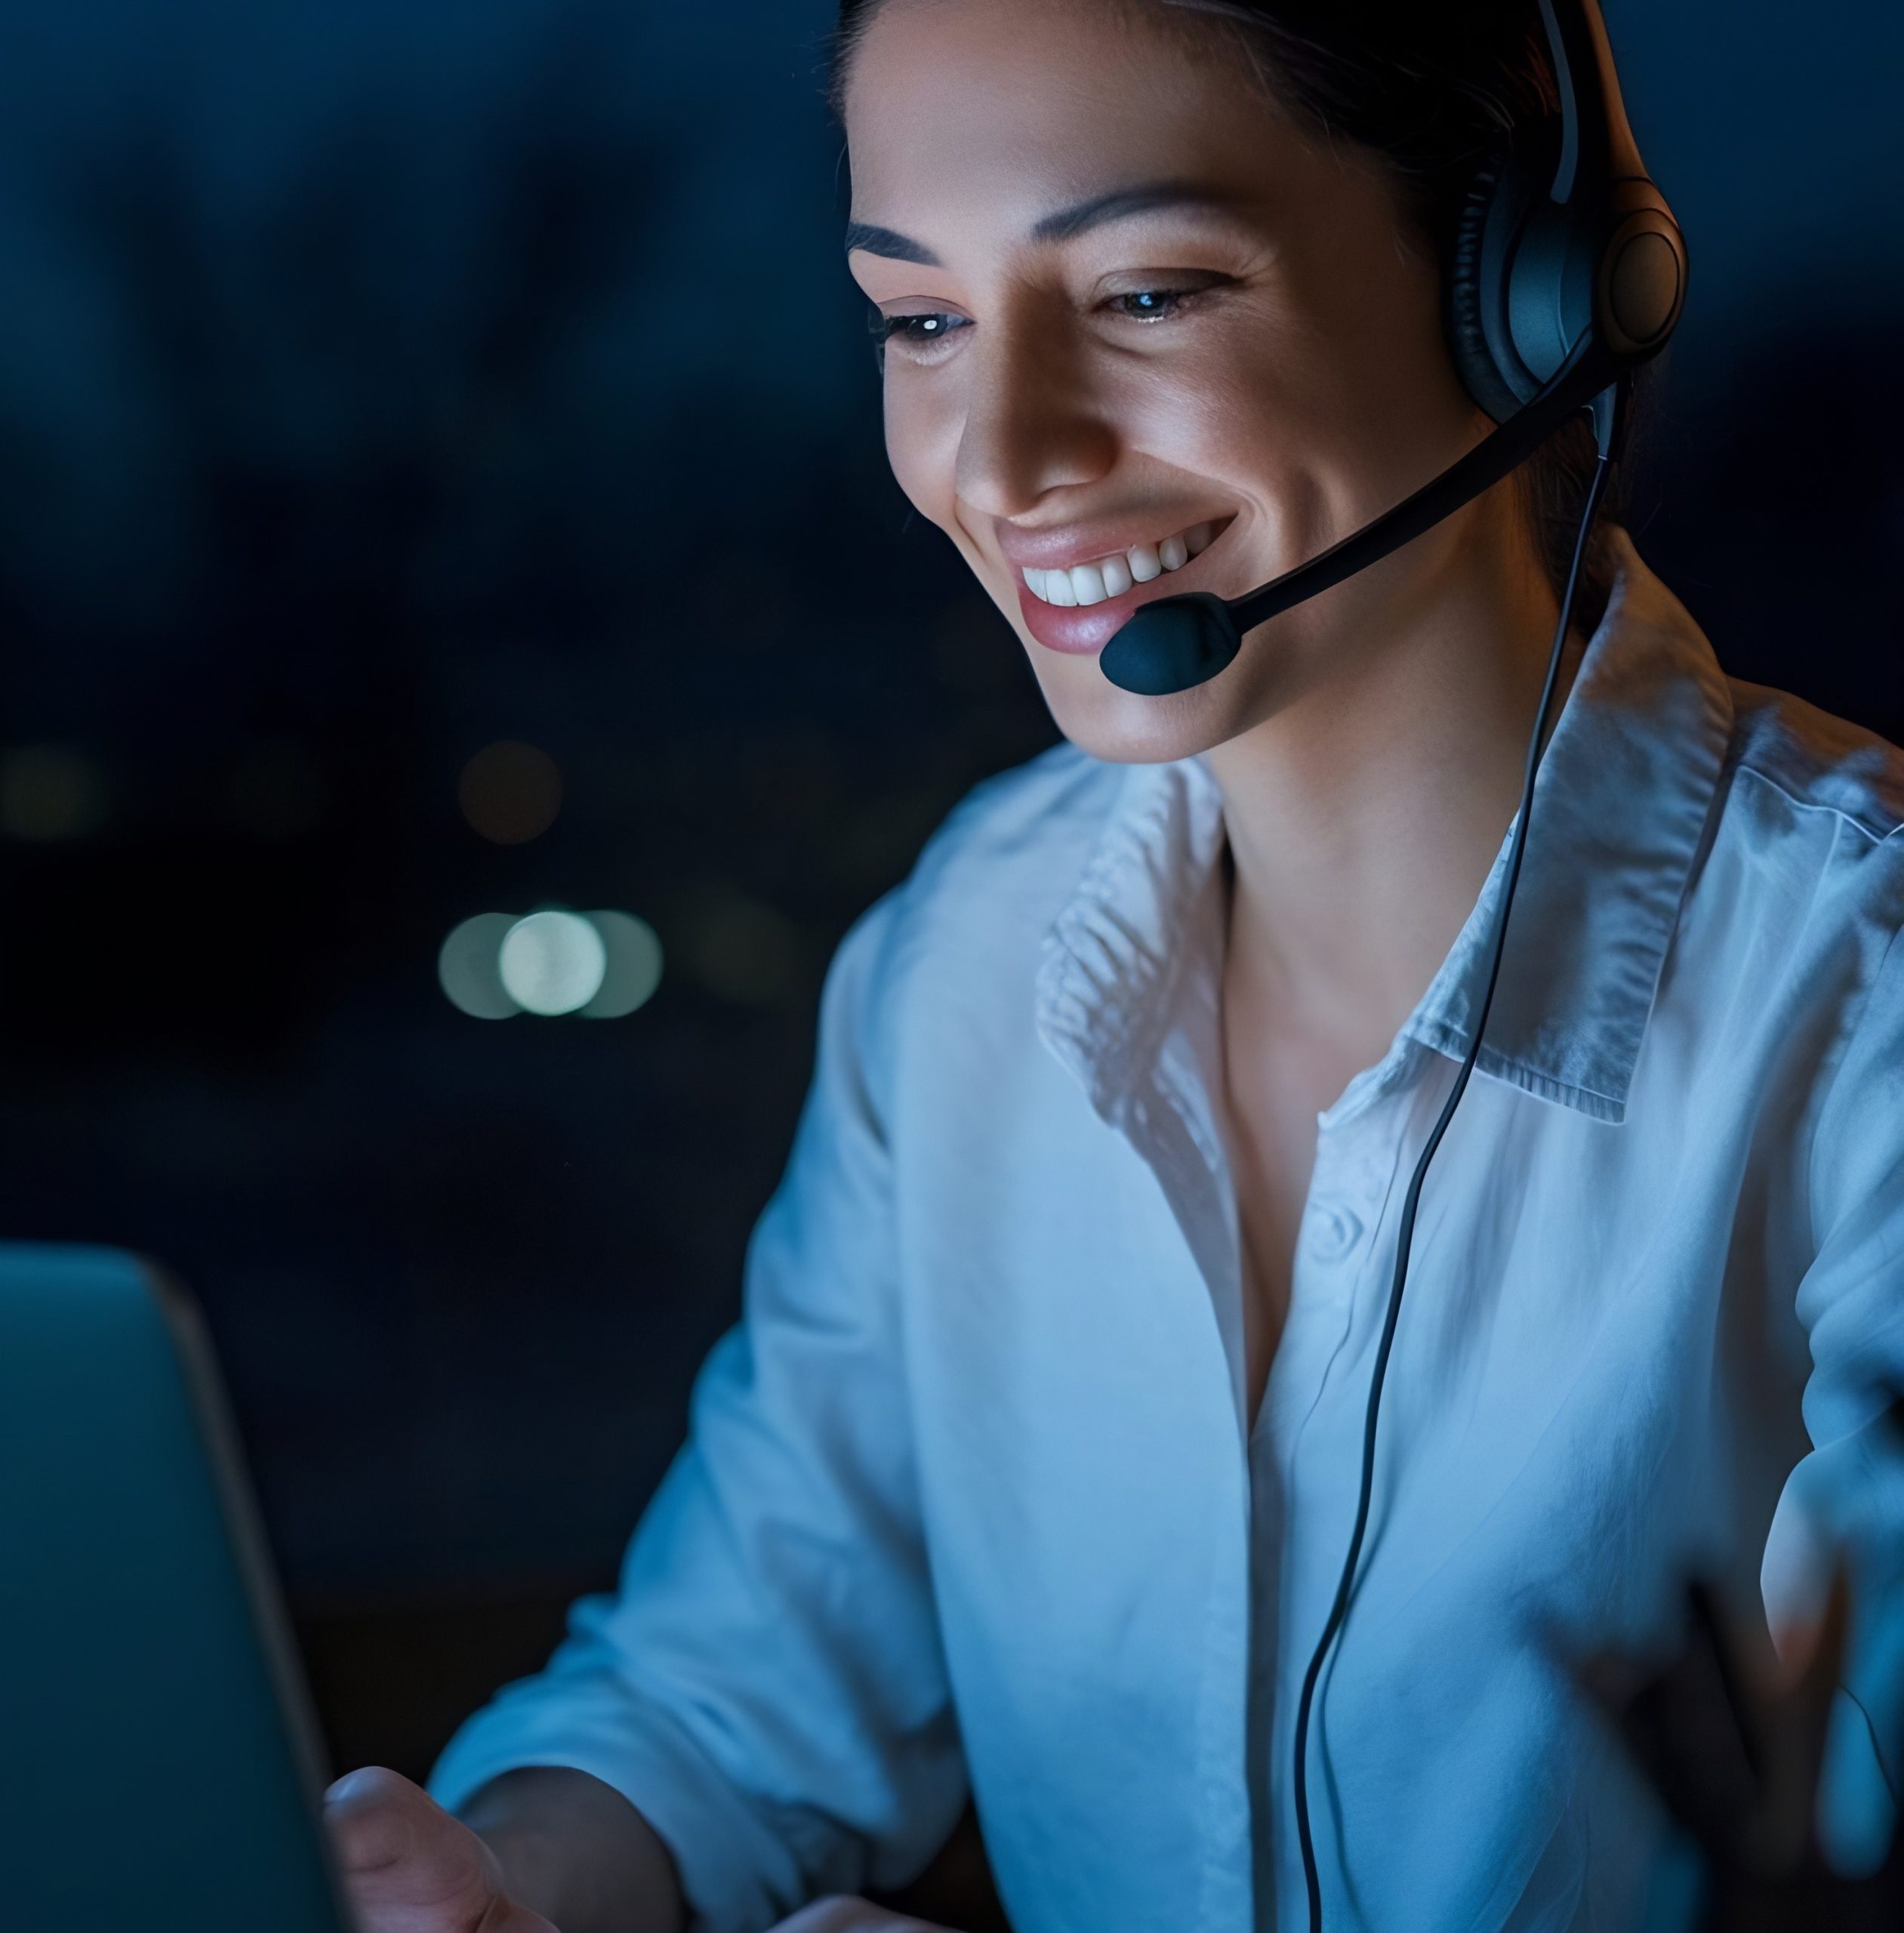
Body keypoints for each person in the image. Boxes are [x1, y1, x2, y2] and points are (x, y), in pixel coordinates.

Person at [325, 2, 1904, 1928]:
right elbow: (732, 1687)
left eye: (1148, 292)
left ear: (1531, 293)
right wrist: (501, 1880)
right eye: (920, 320)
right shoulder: (962, 967)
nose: (1005, 459)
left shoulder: (1857, 998)